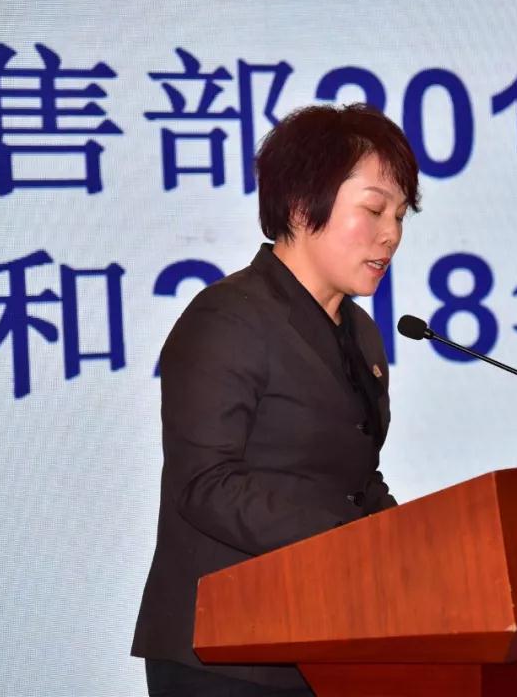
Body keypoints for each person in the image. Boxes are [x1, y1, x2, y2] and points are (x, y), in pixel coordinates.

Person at [131, 103, 421, 696]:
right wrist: (352, 538)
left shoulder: (361, 333)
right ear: (300, 207)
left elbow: (354, 479)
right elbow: (206, 483)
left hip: (323, 638)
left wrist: (414, 544)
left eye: (399, 215)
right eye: (373, 210)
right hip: (223, 653)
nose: (391, 233)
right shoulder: (228, 318)